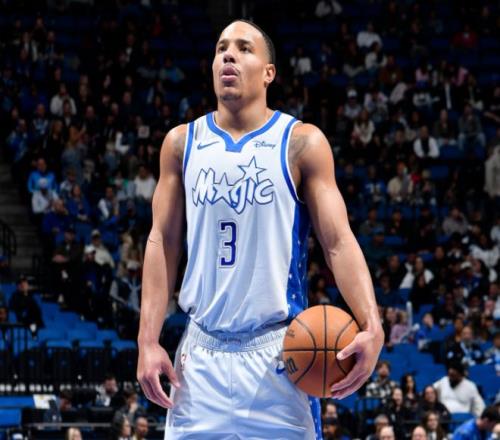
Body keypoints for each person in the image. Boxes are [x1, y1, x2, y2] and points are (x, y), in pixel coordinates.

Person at [137, 19, 384, 439]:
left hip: (278, 358)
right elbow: (162, 242)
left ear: (269, 72)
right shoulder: (180, 143)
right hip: (200, 360)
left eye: (243, 48)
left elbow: (339, 242)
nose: (228, 56)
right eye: (221, 48)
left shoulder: (301, 142)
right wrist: (147, 340)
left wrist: (371, 324)